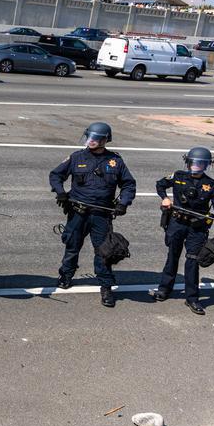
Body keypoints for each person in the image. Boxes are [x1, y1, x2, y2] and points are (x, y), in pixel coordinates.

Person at [49, 122, 136, 307]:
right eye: (89, 137)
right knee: (72, 246)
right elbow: (55, 175)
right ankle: (66, 275)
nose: (91, 141)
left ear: (105, 140)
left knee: (104, 252)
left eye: (95, 138)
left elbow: (129, 184)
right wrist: (60, 192)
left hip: (101, 215)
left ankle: (106, 287)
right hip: (78, 213)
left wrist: (123, 203)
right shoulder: (76, 157)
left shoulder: (115, 161)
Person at [151, 147, 214, 315]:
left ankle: (192, 298)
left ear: (207, 165)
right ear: (187, 162)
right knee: (172, 256)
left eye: (200, 163)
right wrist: (165, 198)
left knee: (192, 261)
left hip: (197, 227)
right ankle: (164, 289)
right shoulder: (178, 176)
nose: (196, 166)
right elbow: (160, 184)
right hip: (177, 223)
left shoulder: (211, 184)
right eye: (193, 162)